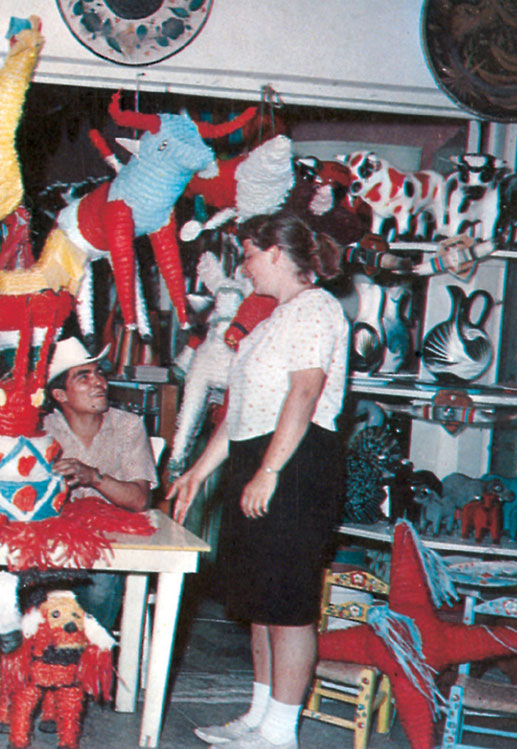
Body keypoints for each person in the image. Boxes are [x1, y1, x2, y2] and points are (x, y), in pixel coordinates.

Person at [167, 211, 347, 749]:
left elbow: (304, 393)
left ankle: (280, 732)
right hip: (259, 454)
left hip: (296, 462)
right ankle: (258, 717)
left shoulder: (317, 308)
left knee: (289, 606)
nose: (243, 269)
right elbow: (239, 416)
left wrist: (269, 470)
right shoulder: (271, 321)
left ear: (274, 253)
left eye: (246, 255)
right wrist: (198, 474)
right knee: (262, 599)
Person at [0, 335, 158, 715]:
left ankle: (68, 682)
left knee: (100, 585)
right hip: (44, 536)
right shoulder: (38, 428)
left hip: (105, 540)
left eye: (98, 373)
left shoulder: (128, 426)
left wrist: (93, 477)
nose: (99, 382)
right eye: (83, 377)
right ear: (60, 395)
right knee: (5, 577)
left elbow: (139, 500)